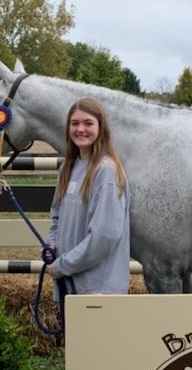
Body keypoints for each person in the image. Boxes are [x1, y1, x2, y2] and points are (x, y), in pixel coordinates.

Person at [45, 97, 131, 298]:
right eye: (74, 123)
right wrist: (51, 245)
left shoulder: (106, 172)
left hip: (97, 291)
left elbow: (104, 236)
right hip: (70, 285)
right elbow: (57, 218)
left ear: (101, 128)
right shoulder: (68, 168)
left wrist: (63, 265)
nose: (80, 129)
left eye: (88, 123)